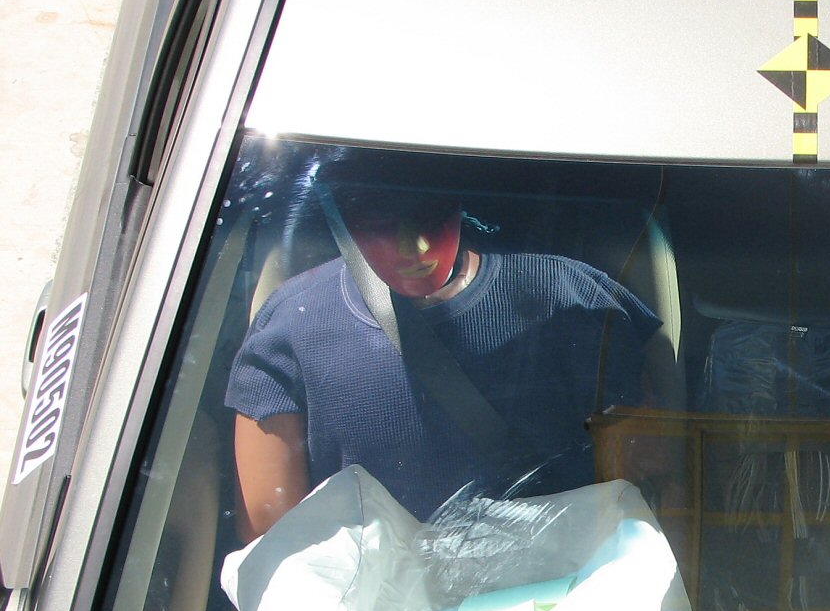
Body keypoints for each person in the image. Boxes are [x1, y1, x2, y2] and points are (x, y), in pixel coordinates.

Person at [226, 184, 669, 541]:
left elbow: (656, 484)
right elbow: (274, 541)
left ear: (459, 204)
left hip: (566, 608)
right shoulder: (291, 328)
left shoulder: (576, 302)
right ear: (343, 218)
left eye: (430, 216)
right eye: (380, 222)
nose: (415, 245)